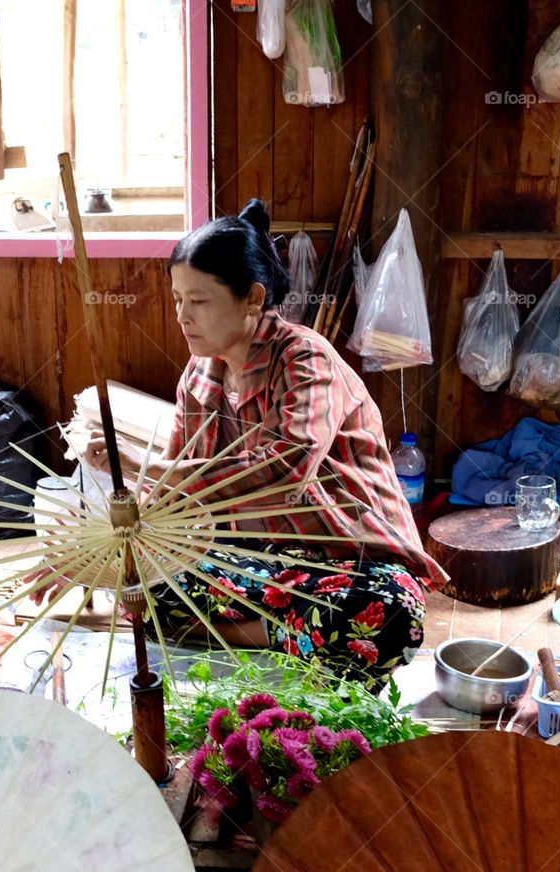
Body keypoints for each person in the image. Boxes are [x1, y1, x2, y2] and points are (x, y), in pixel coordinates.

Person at [83, 199, 447, 687]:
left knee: (390, 615)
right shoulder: (199, 378)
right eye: (176, 299)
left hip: (347, 559)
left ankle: (252, 632)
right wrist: (95, 555)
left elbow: (287, 464)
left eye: (200, 300)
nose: (182, 316)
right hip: (263, 563)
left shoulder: (305, 360)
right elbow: (176, 493)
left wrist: (143, 466)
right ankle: (288, 633)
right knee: (140, 589)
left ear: (253, 298)